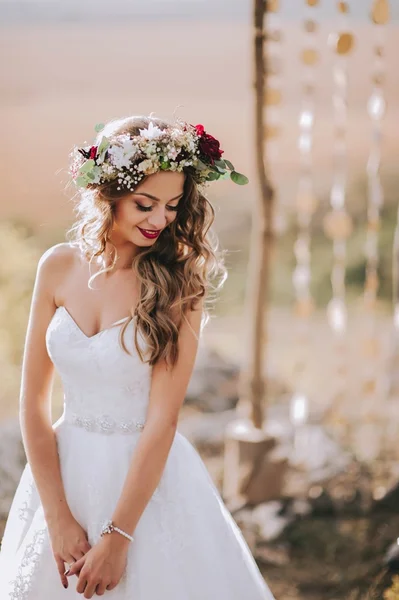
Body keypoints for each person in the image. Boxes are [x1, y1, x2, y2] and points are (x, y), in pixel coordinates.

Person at [0, 114, 275, 599]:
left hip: (145, 482)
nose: (161, 220)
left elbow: (162, 420)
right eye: (145, 204)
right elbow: (33, 406)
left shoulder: (180, 285)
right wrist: (59, 518)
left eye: (172, 205)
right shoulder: (58, 267)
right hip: (62, 472)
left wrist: (118, 537)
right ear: (107, 193)